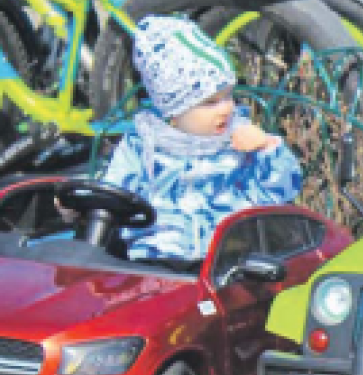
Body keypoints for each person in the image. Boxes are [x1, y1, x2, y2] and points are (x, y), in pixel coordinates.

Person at [65, 16, 301, 268]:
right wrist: (83, 205)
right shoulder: (143, 144)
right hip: (158, 257)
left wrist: (267, 149)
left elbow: (280, 191)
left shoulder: (238, 139)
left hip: (229, 257)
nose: (227, 108)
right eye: (211, 102)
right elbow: (115, 190)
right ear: (174, 114)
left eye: (229, 96)